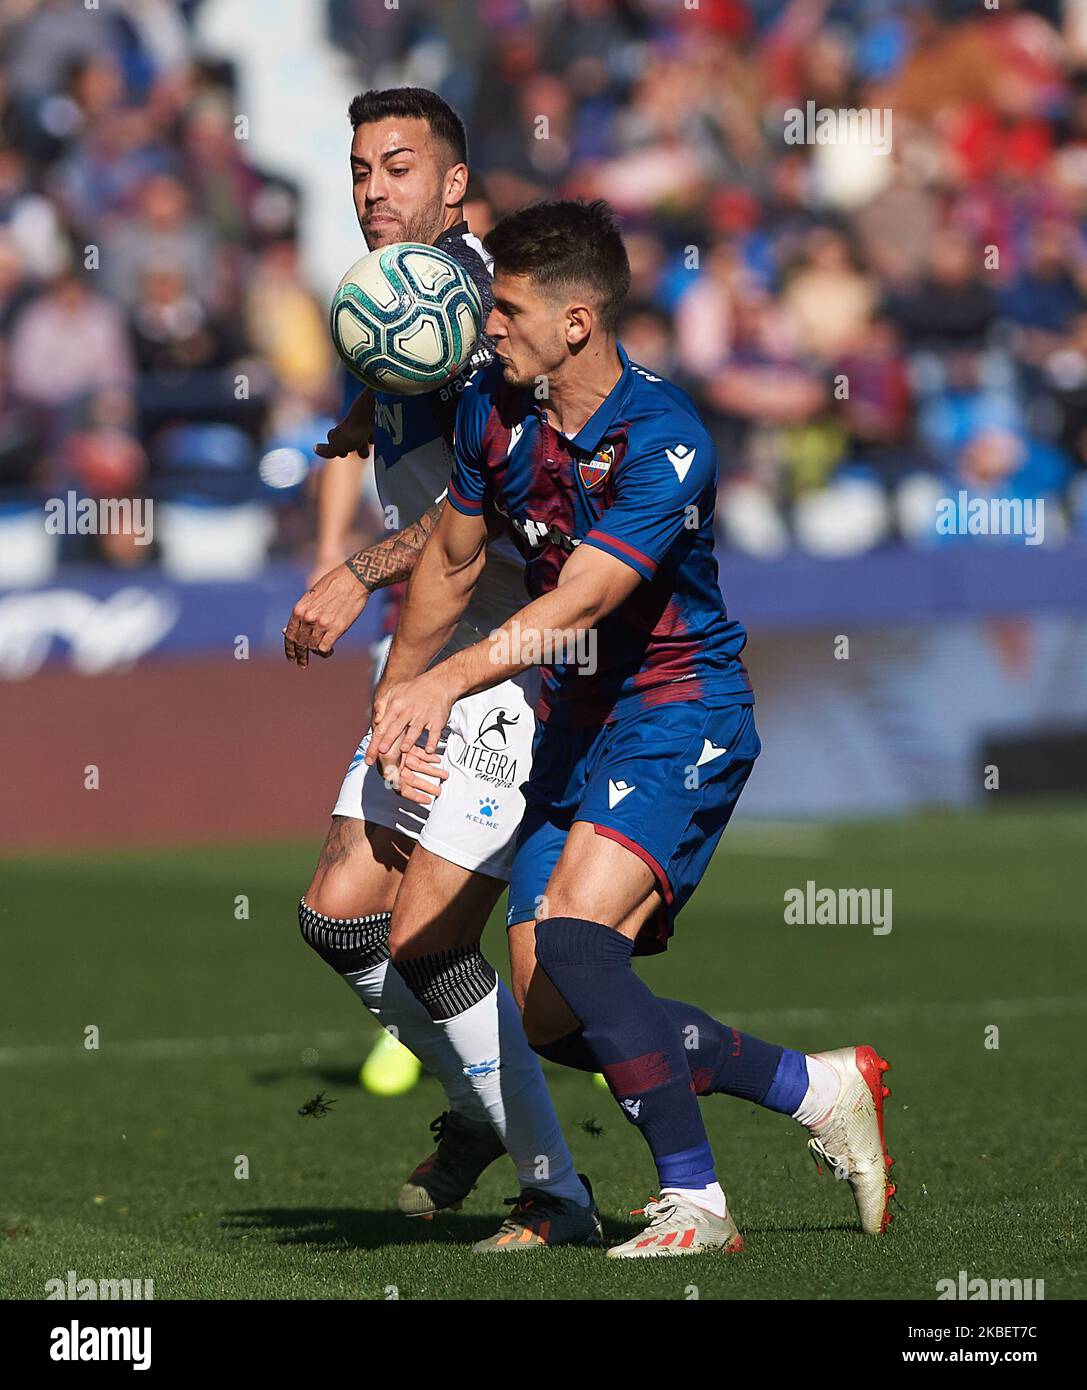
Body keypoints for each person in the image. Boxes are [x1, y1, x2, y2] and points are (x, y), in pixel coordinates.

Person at [367, 198, 894, 1257]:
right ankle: (812, 1086)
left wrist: (451, 683)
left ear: (575, 323)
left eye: (505, 308)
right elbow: (458, 559)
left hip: (678, 707)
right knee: (554, 1011)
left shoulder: (666, 439)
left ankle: (695, 1203)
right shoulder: (488, 411)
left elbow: (581, 602)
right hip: (573, 724)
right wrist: (401, 690)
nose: (487, 328)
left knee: (574, 940)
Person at [283, 87, 602, 1252]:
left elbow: (502, 505)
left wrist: (356, 567)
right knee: (336, 919)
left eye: (400, 167)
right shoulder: (392, 298)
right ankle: (478, 1110)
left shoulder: (479, 309)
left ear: (454, 185)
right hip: (435, 651)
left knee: (428, 933)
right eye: (361, 167)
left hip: (514, 656)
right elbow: (376, 416)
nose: (374, 189)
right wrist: (354, 433)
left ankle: (557, 1189)